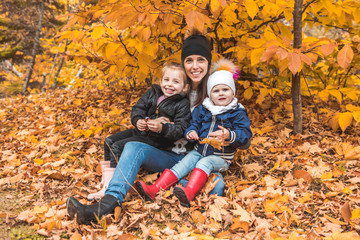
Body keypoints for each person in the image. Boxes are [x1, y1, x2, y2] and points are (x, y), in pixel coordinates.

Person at [67, 30, 234, 225]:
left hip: (198, 160)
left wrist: (225, 135)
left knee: (216, 186)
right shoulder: (175, 86)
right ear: (183, 63)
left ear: (208, 62)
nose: (195, 66)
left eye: (201, 60)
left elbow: (236, 132)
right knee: (132, 147)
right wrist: (154, 121)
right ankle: (107, 205)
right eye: (189, 60)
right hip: (168, 154)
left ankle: (177, 183)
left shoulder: (218, 91)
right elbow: (151, 108)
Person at [136, 59, 252, 207]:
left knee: (206, 162)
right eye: (216, 91)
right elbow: (193, 124)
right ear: (210, 94)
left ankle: (189, 192)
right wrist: (191, 132)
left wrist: (229, 135)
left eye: (225, 90)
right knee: (182, 164)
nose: (221, 94)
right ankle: (154, 190)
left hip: (221, 158)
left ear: (232, 91)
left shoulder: (237, 112)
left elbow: (245, 134)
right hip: (199, 151)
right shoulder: (203, 109)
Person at [87, 61, 190, 201]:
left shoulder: (181, 104)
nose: (169, 84)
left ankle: (110, 188)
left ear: (184, 87)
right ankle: (106, 182)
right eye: (166, 80)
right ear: (160, 81)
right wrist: (138, 120)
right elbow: (138, 108)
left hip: (156, 140)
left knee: (117, 147)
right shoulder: (153, 93)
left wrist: (162, 128)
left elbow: (180, 129)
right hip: (140, 131)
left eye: (176, 82)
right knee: (109, 141)